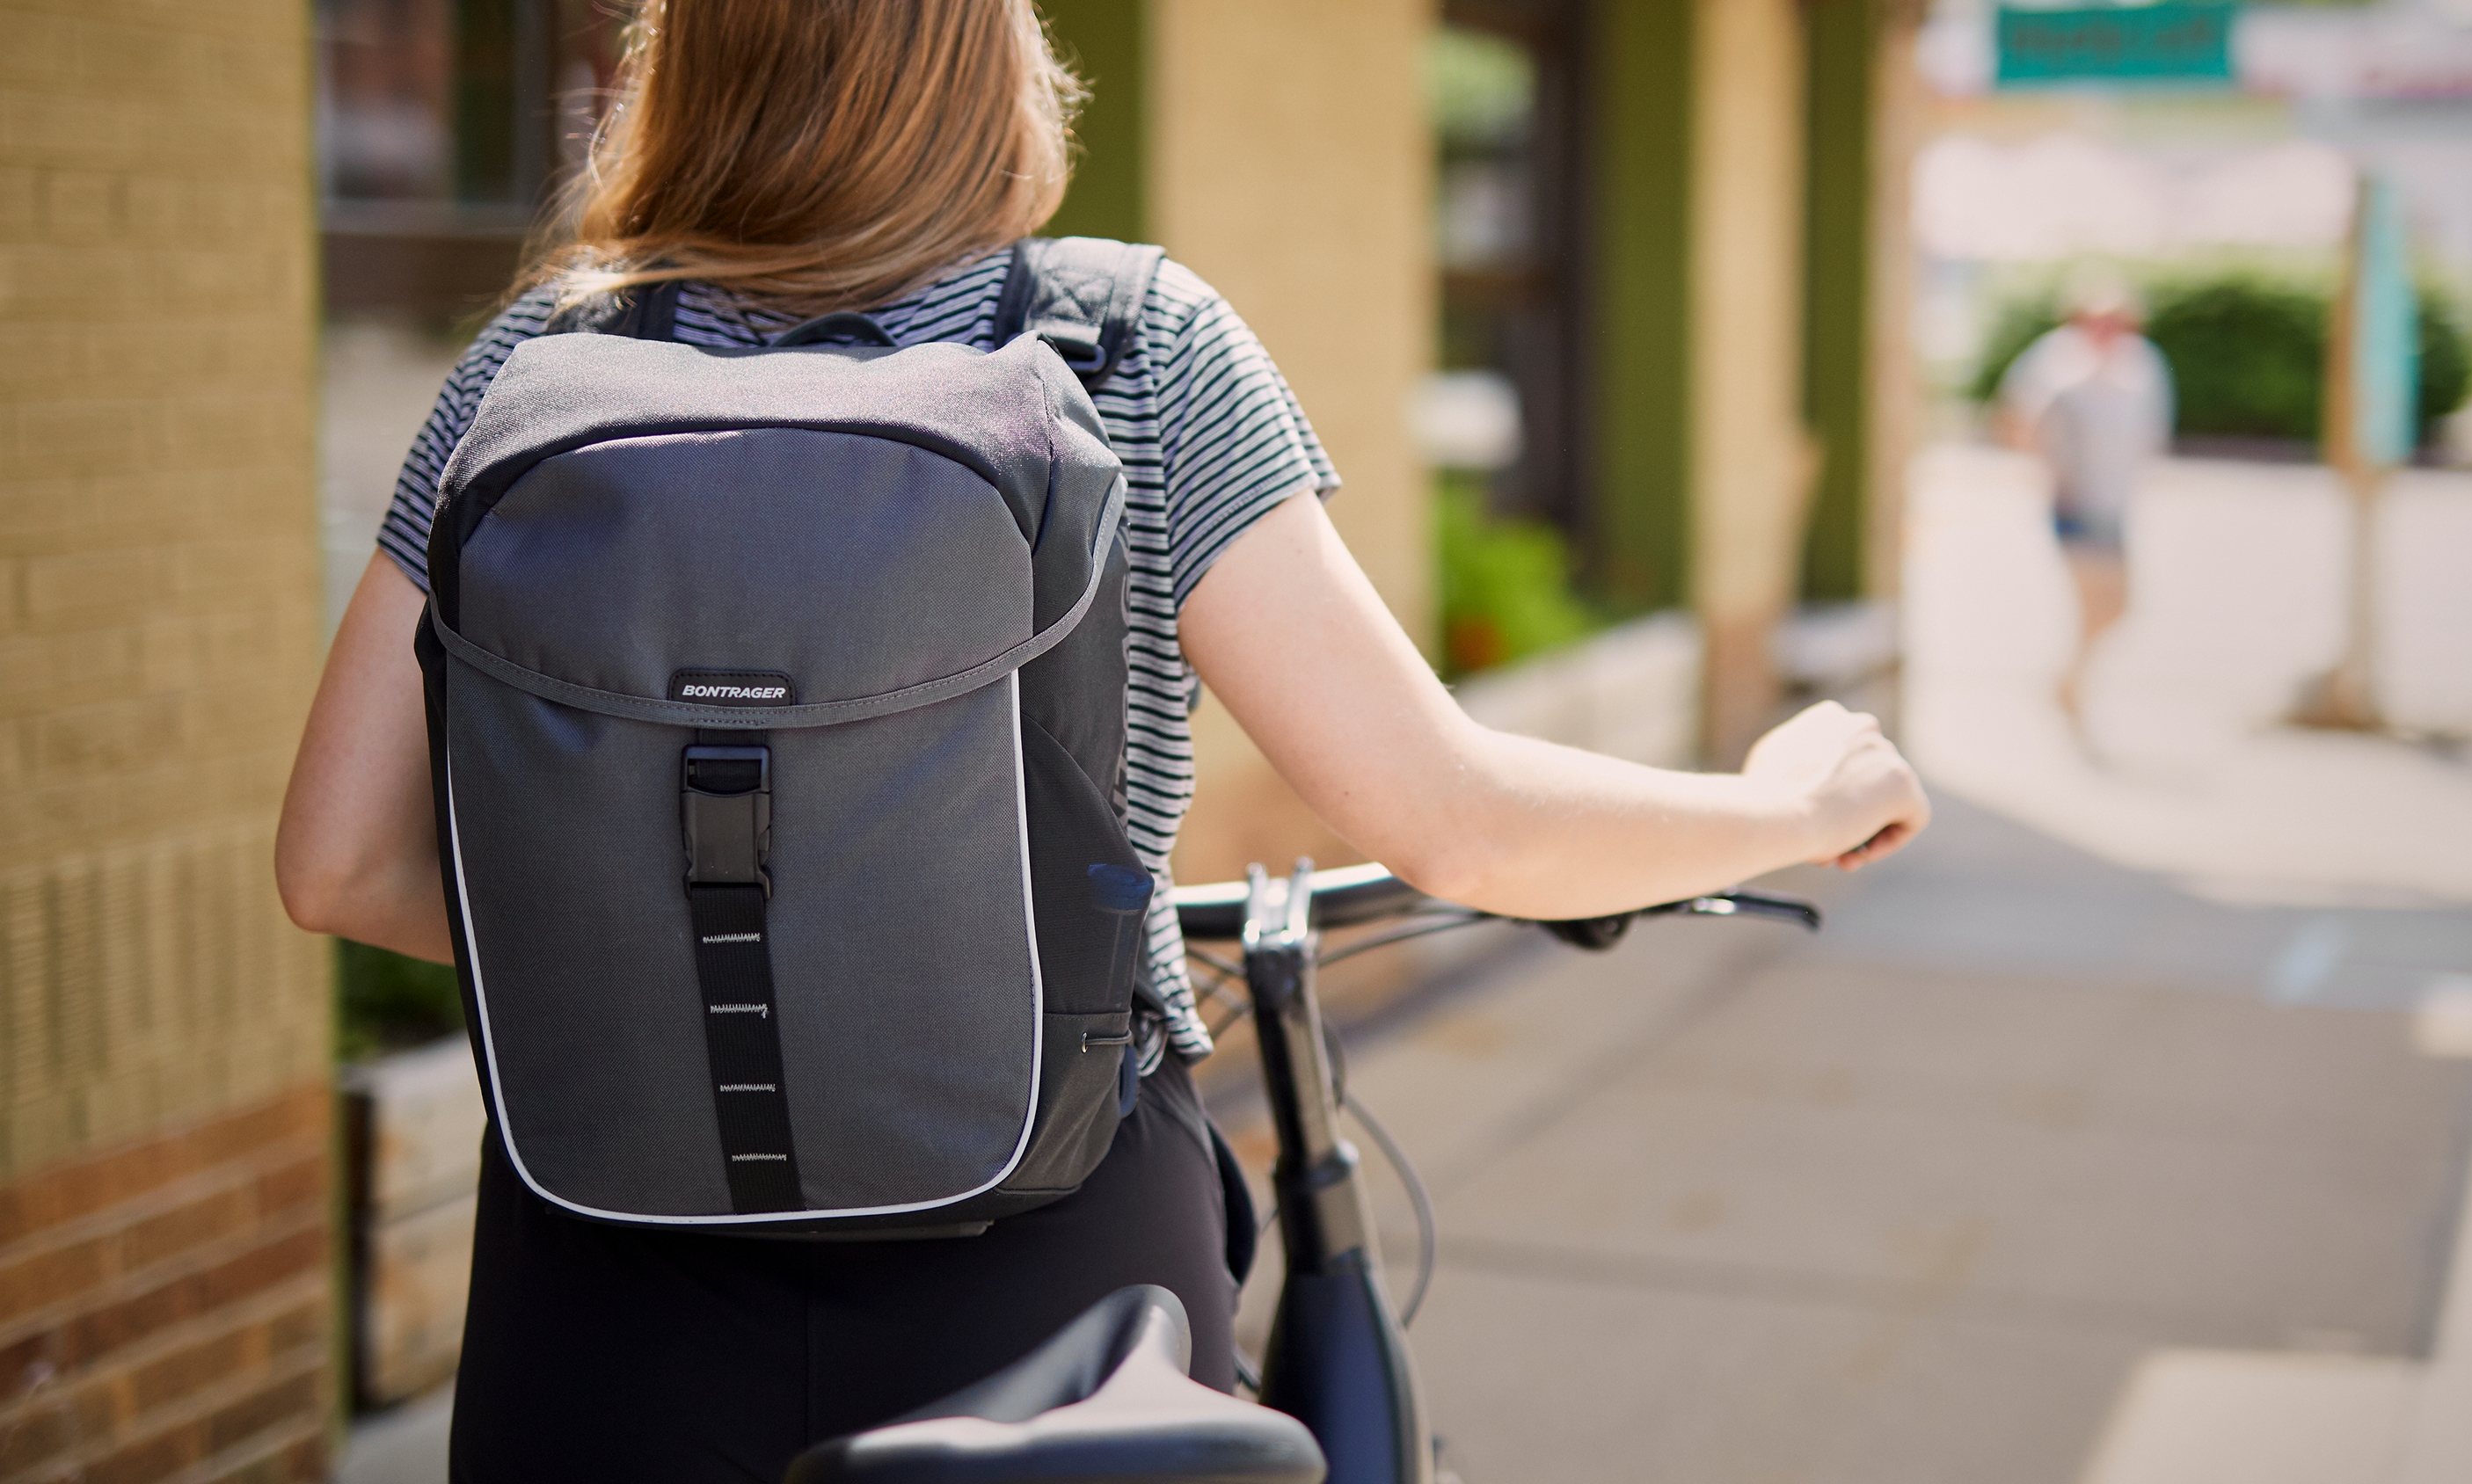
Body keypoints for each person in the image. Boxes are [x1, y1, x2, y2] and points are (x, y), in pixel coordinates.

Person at [273, 2, 1930, 1476]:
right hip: (1045, 1257)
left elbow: (339, 862)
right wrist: (1782, 801)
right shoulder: (1125, 342)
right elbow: (1458, 822)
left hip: (608, 1264)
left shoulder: (545, 360)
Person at [1995, 269, 2174, 725]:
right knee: (2094, 601)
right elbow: (2019, 418)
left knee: (2118, 605)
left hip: (2115, 502)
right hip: (2074, 502)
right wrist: (2047, 469)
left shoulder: (2142, 365)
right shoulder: (2057, 361)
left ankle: (2070, 680)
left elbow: (2151, 429)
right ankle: (2070, 688)